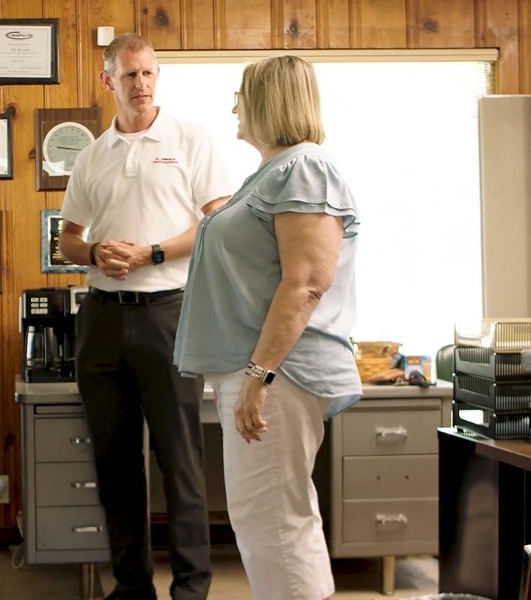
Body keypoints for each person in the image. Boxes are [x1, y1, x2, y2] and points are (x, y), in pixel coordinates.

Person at [174, 55, 362, 600]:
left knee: (275, 522)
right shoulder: (274, 172)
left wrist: (259, 375)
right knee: (270, 520)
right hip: (261, 370)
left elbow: (306, 283)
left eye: (241, 95)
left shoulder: (304, 168)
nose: (234, 106)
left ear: (267, 101)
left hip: (279, 372)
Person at [58, 33, 234, 600]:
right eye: (130, 75)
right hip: (102, 318)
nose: (141, 85)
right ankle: (132, 586)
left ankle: (190, 588)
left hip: (169, 313)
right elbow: (68, 240)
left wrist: (151, 253)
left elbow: (215, 223)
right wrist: (96, 253)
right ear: (108, 81)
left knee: (179, 459)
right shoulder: (92, 155)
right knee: (115, 463)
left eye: (149, 74)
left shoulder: (191, 140)